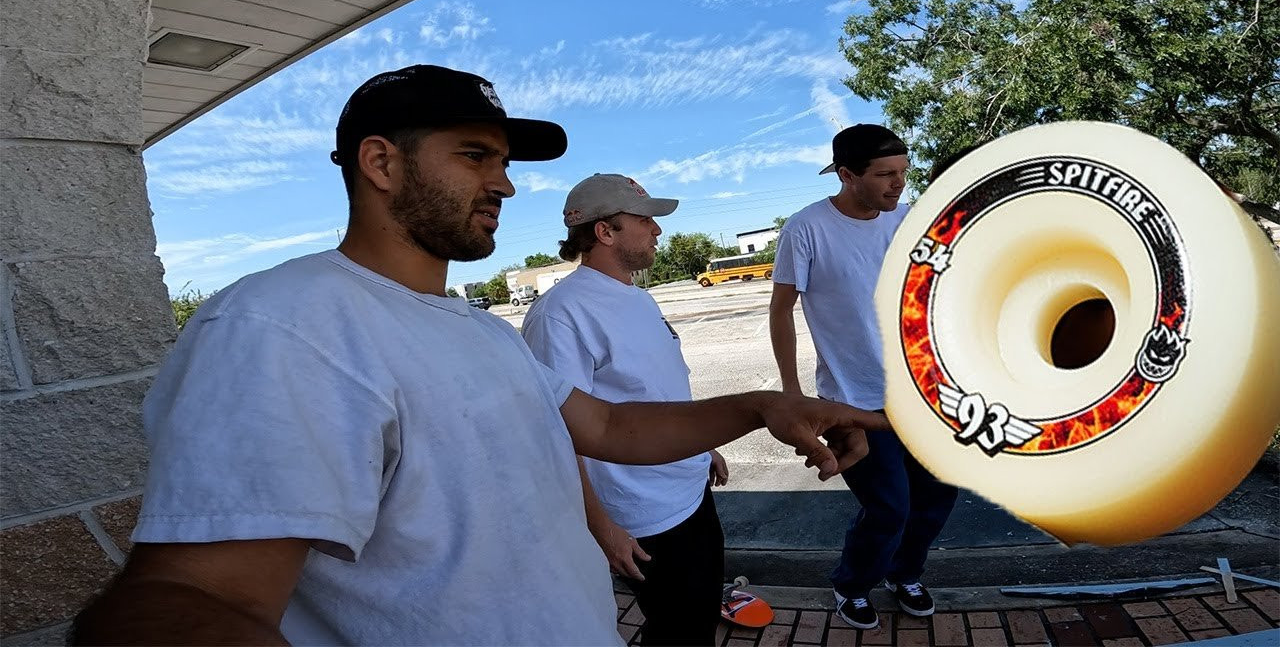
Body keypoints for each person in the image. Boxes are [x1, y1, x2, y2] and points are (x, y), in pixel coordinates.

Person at [69, 65, 889, 646]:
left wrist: (758, 406)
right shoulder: (282, 325)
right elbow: (185, 599)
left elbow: (604, 425)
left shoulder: (474, 327)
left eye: (502, 162)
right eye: (473, 156)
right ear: (381, 162)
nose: (503, 184)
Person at [522, 174, 727, 646]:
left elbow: (657, 387)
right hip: (642, 518)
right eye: (645, 220)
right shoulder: (562, 314)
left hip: (688, 490)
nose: (657, 231)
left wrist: (701, 446)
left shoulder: (638, 295)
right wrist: (603, 527)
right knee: (680, 631)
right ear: (605, 232)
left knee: (696, 619)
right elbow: (558, 431)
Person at [768, 124, 958, 631]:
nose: (898, 184)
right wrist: (792, 397)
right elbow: (781, 310)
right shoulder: (806, 228)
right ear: (847, 175)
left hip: (923, 394)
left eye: (903, 172)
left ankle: (905, 574)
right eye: (885, 175)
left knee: (938, 495)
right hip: (853, 400)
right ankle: (852, 585)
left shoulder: (906, 221)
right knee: (888, 508)